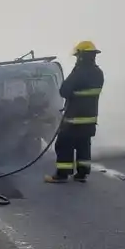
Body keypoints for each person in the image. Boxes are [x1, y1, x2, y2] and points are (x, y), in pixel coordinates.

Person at [44, 41, 105, 183]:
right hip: (90, 119)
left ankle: (62, 175)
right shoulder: (98, 73)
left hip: (74, 119)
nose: (76, 59)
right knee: (84, 146)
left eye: (77, 56)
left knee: (64, 145)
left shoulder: (79, 72)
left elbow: (64, 90)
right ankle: (82, 174)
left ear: (82, 56)